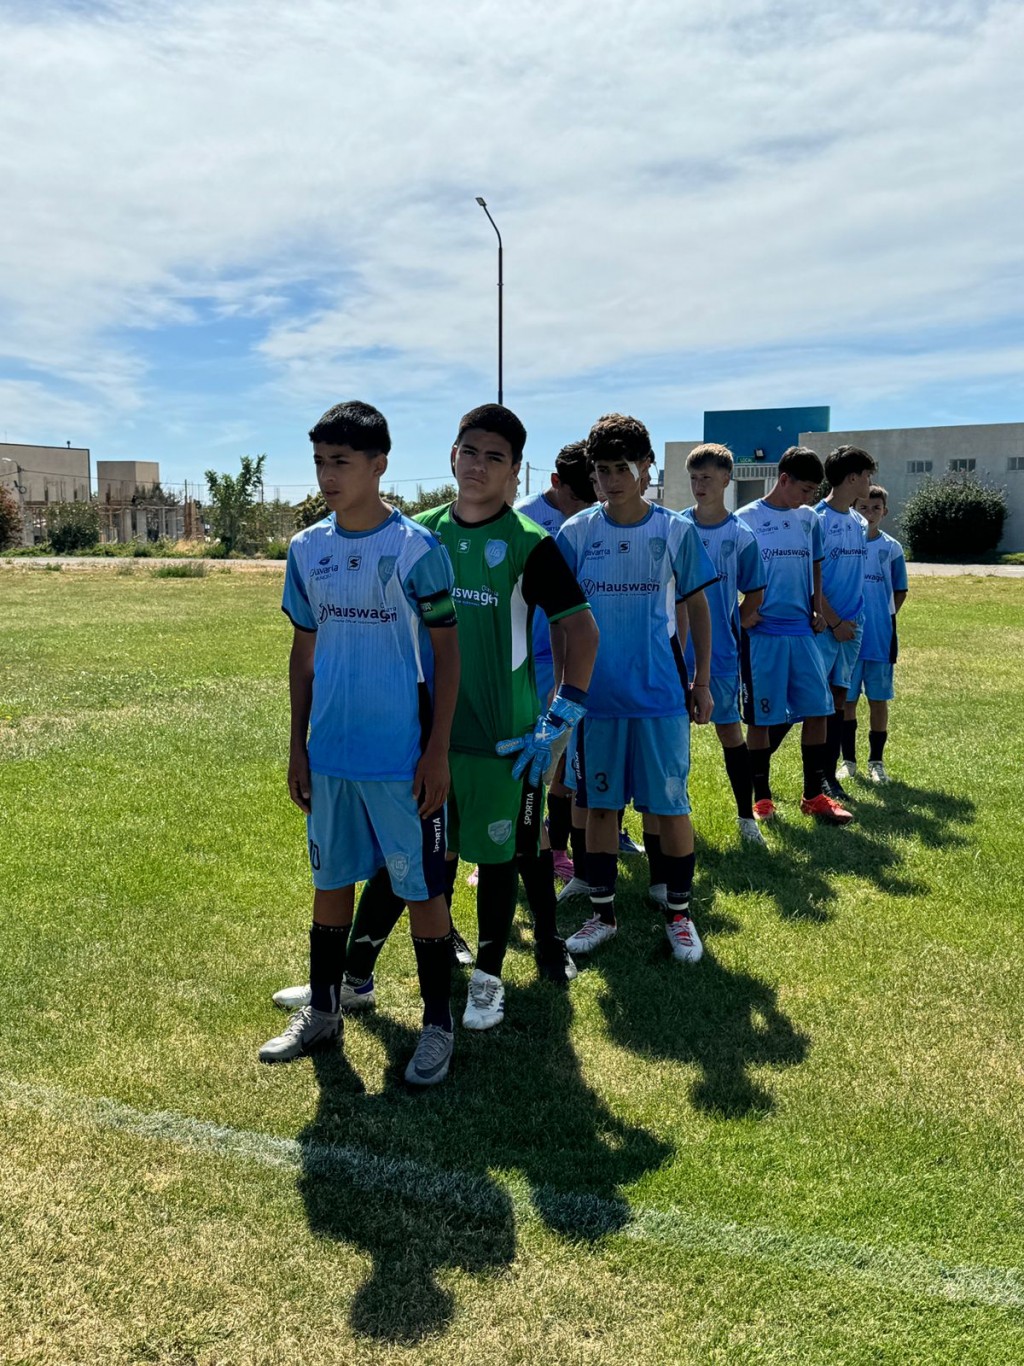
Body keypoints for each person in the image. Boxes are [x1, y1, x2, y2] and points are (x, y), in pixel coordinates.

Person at [259, 400, 461, 1086]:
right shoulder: (306, 549)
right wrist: (297, 745)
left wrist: (436, 752)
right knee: (329, 882)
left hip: (400, 757)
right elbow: (303, 652)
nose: (327, 475)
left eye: (341, 462)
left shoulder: (415, 551)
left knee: (424, 891)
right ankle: (323, 1011)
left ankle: (438, 1024)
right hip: (333, 754)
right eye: (319, 461)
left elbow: (447, 655)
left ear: (379, 465)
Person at [556, 413, 717, 963]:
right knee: (599, 808)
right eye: (602, 470)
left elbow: (699, 606)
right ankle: (602, 915)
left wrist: (700, 682)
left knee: (670, 806)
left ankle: (679, 913)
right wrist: (563, 691)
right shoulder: (576, 534)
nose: (612, 479)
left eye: (623, 467)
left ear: (647, 466)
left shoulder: (676, 530)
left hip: (659, 698)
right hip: (596, 702)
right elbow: (562, 620)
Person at [736, 446, 852, 825]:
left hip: (802, 632)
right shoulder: (745, 519)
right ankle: (763, 799)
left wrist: (818, 606)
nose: (808, 499)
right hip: (763, 636)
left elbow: (816, 565)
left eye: (813, 493)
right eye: (804, 490)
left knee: (818, 711)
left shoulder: (808, 520)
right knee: (761, 720)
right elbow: (728, 573)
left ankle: (813, 795)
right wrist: (740, 613)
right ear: (783, 479)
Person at [514, 440, 598, 883]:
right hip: (531, 660)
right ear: (554, 483)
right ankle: (511, 844)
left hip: (579, 652)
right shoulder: (524, 520)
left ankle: (558, 844)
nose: (583, 508)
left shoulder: (596, 522)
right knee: (533, 756)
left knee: (569, 758)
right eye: (576, 499)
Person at [681, 444, 767, 846]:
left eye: (708, 479)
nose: (700, 486)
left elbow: (754, 593)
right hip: (675, 654)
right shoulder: (676, 527)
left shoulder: (741, 536)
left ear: (726, 481)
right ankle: (674, 818)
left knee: (731, 732)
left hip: (721, 656)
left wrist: (736, 624)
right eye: (695, 478)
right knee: (671, 736)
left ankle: (745, 817)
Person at [813, 445, 876, 803]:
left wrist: (851, 621)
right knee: (816, 703)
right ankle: (813, 777)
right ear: (852, 478)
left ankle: (828, 776)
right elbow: (811, 579)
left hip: (854, 626)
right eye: (867, 475)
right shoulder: (816, 519)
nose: (870, 482)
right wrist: (834, 621)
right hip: (826, 626)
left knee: (840, 697)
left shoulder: (859, 522)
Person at [838, 484, 908, 784]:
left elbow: (900, 590)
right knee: (847, 701)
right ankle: (848, 761)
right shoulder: (846, 542)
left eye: (875, 508)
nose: (869, 514)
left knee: (878, 700)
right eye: (863, 508)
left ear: (884, 512)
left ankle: (876, 762)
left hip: (880, 638)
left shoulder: (891, 548)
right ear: (855, 508)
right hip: (849, 636)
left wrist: (882, 615)